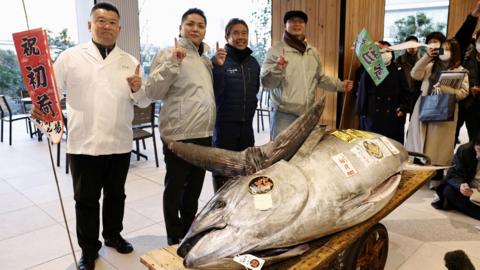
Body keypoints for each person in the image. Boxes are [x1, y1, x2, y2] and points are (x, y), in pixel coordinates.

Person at [52, 2, 151, 270]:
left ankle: (113, 235)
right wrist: (45, 115)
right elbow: (52, 93)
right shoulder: (69, 57)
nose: (106, 26)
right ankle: (88, 248)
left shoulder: (129, 61)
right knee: (85, 200)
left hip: (119, 142)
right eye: (101, 20)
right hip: (84, 144)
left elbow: (142, 102)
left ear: (119, 28)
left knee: (116, 194)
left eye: (112, 22)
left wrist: (139, 88)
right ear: (90, 25)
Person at [145, 8, 219, 245]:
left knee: (194, 188)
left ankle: (189, 228)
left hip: (204, 132)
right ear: (180, 27)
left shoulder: (205, 59)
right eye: (190, 24)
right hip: (178, 134)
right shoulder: (168, 53)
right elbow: (153, 92)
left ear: (205, 30)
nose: (195, 29)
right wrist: (173, 63)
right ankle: (173, 233)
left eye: (200, 25)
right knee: (175, 187)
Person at [261, 10, 353, 139]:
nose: (296, 24)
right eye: (292, 21)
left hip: (307, 114)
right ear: (285, 25)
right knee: (280, 155)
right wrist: (277, 68)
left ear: (305, 25)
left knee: (303, 153)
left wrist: (340, 85)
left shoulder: (312, 52)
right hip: (283, 115)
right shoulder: (275, 50)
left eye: (300, 21)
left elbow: (320, 78)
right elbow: (266, 82)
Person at [405, 38, 469, 183]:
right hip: (424, 106)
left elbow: (463, 93)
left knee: (437, 147)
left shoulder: (460, 71)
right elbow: (415, 74)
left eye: (448, 49)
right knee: (421, 143)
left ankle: (436, 178)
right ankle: (419, 177)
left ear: (455, 53)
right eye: (442, 48)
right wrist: (427, 56)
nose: (444, 52)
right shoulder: (431, 65)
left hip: (444, 110)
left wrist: (444, 89)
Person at [210, 18, 260, 191]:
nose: (241, 37)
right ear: (227, 36)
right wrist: (217, 67)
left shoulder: (253, 63)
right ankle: (221, 209)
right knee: (223, 172)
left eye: (244, 33)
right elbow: (213, 93)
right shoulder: (219, 61)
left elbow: (255, 90)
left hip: (247, 127)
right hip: (224, 128)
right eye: (236, 33)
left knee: (246, 171)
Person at [356, 41, 410, 144]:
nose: (385, 53)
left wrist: (403, 107)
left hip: (393, 113)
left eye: (387, 50)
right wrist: (362, 111)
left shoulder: (398, 69)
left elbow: (405, 90)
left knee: (392, 143)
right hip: (373, 113)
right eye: (382, 51)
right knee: (372, 143)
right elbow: (362, 92)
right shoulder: (369, 70)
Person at [431, 131, 480, 221]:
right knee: (448, 191)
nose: (479, 155)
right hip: (469, 190)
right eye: (478, 150)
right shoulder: (465, 150)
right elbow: (453, 174)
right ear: (474, 145)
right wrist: (461, 185)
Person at [454, 1, 480, 144]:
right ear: (476, 40)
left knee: (476, 142)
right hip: (459, 102)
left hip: (477, 107)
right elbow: (460, 38)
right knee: (449, 140)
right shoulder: (465, 52)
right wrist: (474, 15)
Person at [395, 35, 422, 114]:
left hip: (417, 94)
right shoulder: (399, 60)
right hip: (402, 95)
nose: (413, 47)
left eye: (415, 45)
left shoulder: (422, 60)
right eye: (410, 45)